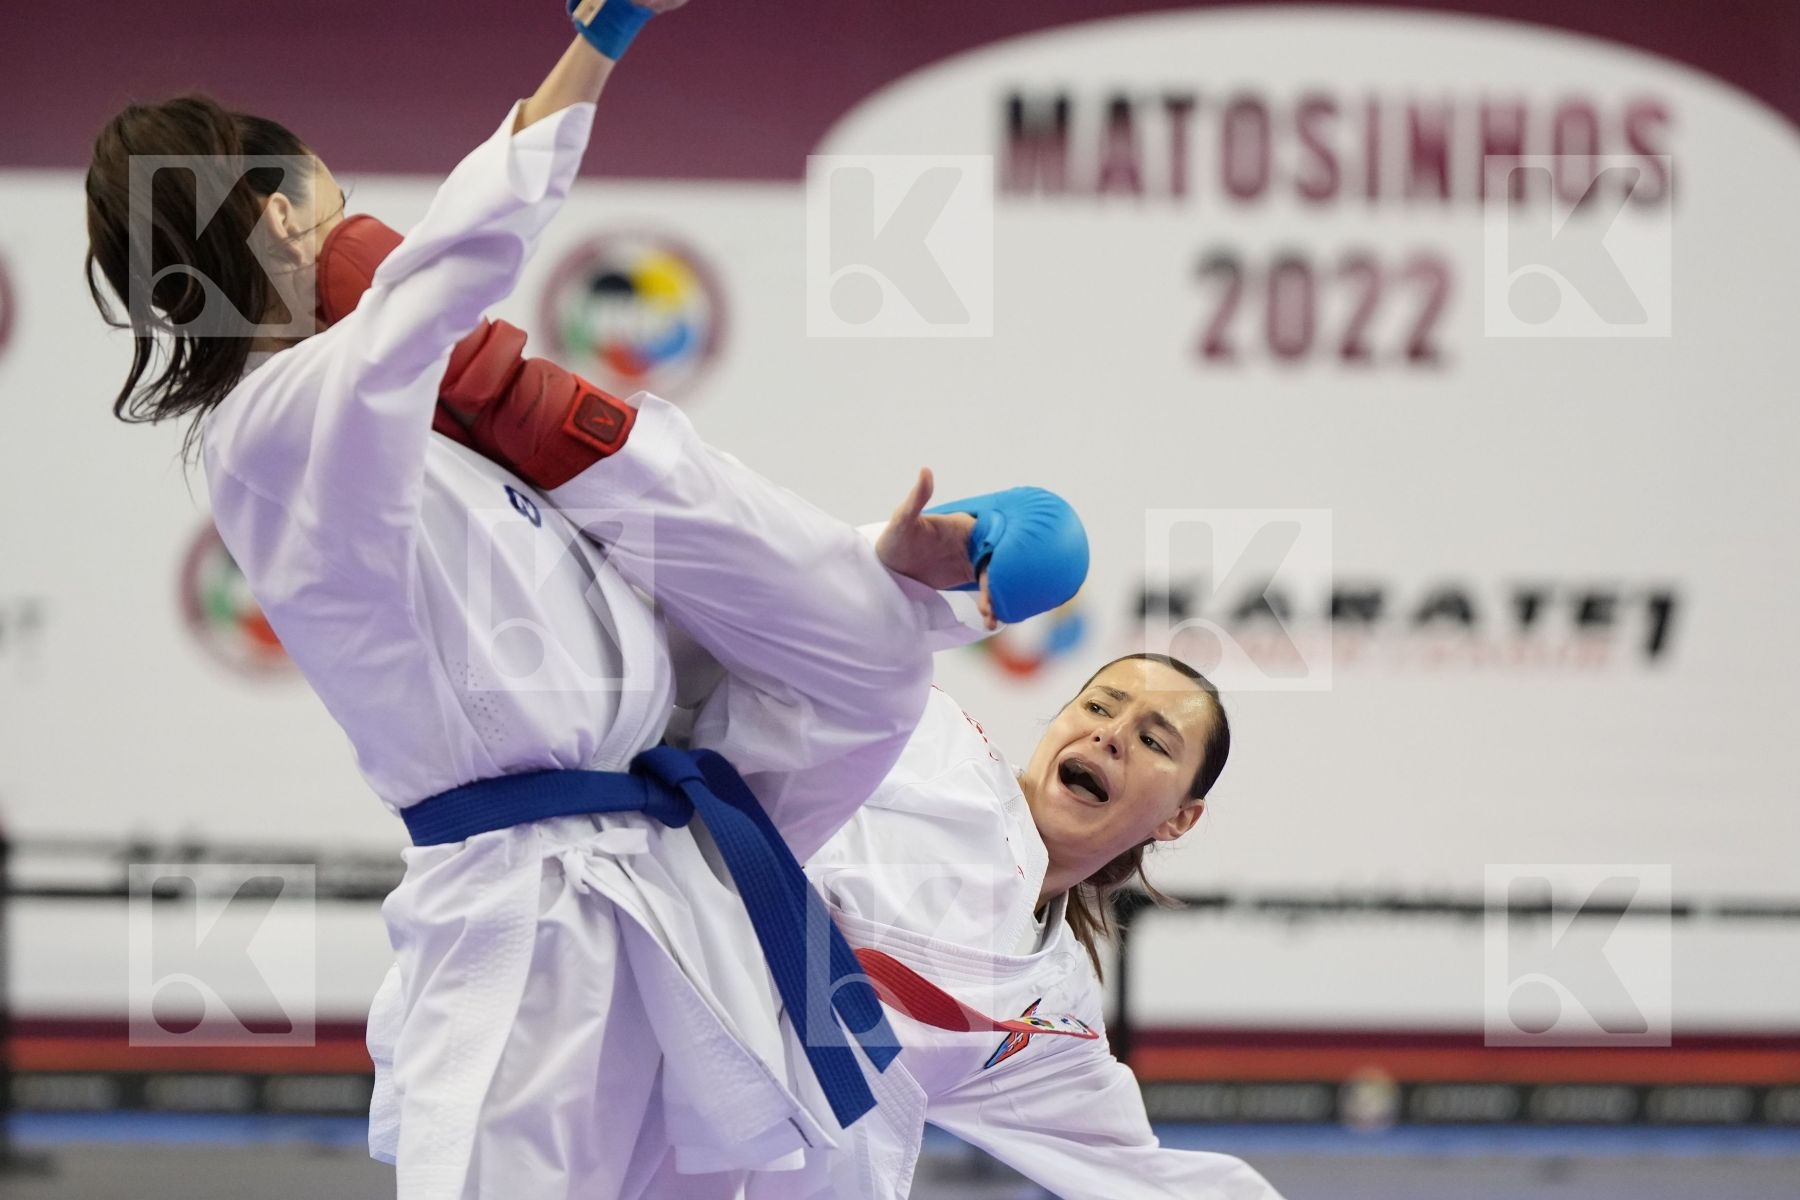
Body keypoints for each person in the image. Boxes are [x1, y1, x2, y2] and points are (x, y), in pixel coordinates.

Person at [81, 3, 1086, 1198]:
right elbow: (443, 271)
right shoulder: (284, 429)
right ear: (283, 216)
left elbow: (651, 599)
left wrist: (890, 570)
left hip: (651, 885)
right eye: (339, 207)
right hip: (525, 916)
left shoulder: (417, 438)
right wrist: (598, 42)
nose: (364, 245)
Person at [802, 652, 1287, 1198]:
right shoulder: (932, 743)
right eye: (1100, 707)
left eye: (1154, 742)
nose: (1111, 734)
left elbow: (1138, 1177)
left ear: (1179, 818)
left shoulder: (1055, 1008)